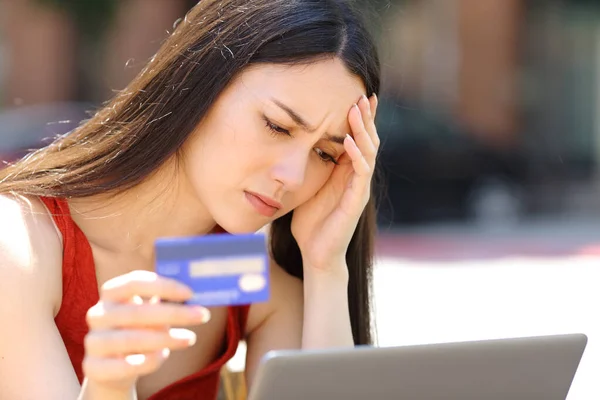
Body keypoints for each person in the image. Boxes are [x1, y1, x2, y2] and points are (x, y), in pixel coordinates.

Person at [0, 0, 381, 399]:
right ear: (201, 83)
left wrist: (326, 268)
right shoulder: (22, 246)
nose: (293, 176)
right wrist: (109, 387)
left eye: (325, 154)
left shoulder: (242, 277)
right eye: (277, 126)